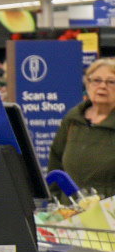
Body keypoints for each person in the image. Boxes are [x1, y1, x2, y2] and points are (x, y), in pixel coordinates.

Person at [47, 56, 115, 192]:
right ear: (87, 84)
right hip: (71, 209)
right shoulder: (73, 119)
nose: (102, 86)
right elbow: (56, 163)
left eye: (111, 82)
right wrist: (55, 202)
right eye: (96, 80)